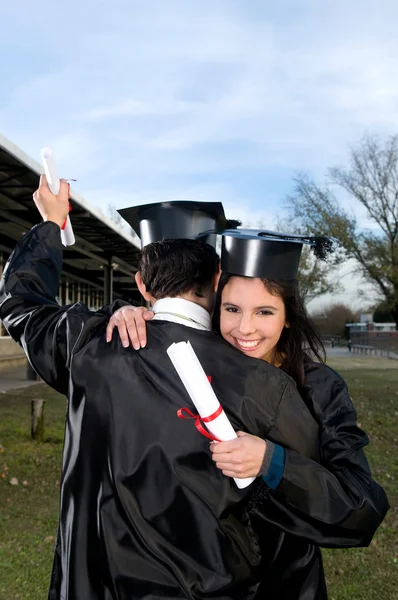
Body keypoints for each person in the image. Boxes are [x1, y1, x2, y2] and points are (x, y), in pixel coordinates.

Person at [0, 179, 322, 600]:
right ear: (218, 276)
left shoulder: (86, 345)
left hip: (93, 586)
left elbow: (21, 302)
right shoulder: (263, 383)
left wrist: (52, 222)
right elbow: (296, 515)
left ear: (142, 284)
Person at [107, 227, 389, 599]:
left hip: (284, 581)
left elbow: (361, 509)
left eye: (265, 311)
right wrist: (133, 313)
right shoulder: (194, 367)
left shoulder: (320, 388)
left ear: (288, 316)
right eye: (232, 309)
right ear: (214, 307)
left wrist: (272, 462)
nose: (245, 328)